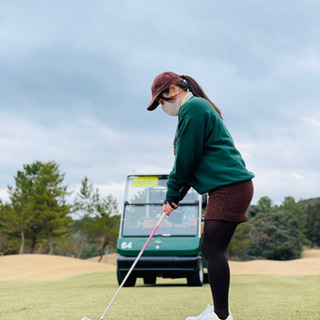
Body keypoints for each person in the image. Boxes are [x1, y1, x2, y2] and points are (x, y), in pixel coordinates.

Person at [146, 72, 254, 320]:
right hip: (229, 187)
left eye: (160, 101)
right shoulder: (194, 108)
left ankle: (220, 315)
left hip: (231, 187)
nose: (162, 107)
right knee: (212, 249)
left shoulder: (193, 108)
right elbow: (191, 163)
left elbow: (185, 158)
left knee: (212, 249)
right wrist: (176, 197)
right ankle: (219, 313)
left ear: (172, 90)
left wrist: (172, 193)